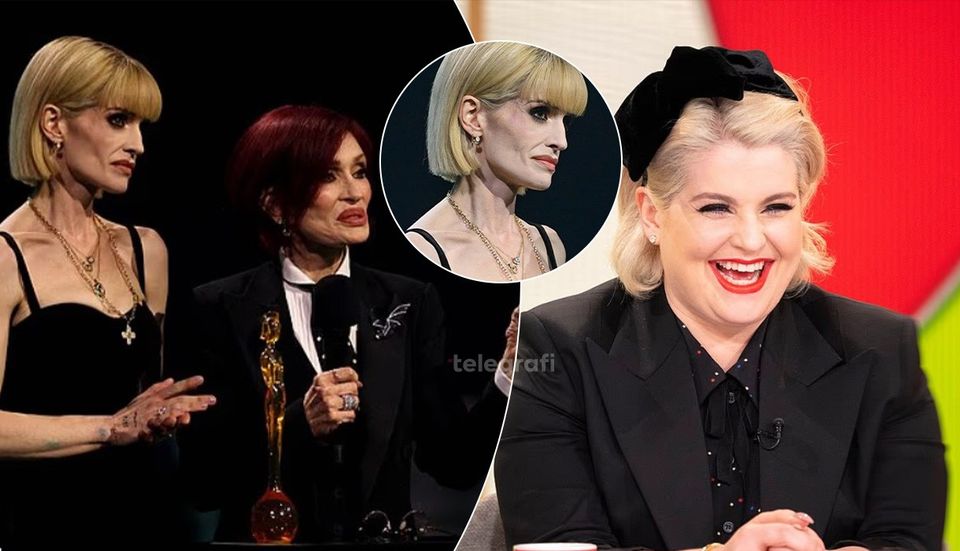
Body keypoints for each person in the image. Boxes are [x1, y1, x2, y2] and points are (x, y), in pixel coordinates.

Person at [494, 46, 946, 551]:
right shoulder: (555, 349)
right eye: (716, 208)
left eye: (776, 207)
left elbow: (908, 538)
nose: (751, 241)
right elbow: (556, 543)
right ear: (652, 214)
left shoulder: (883, 350)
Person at [177, 105, 513, 542]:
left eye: (359, 172)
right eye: (328, 176)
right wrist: (298, 425)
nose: (355, 193)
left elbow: (454, 463)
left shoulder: (409, 302)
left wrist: (506, 373)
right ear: (275, 203)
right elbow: (203, 480)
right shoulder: (219, 307)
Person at [0, 36, 215, 543]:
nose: (138, 145)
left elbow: (146, 403)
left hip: (145, 522)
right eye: (119, 120)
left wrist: (161, 417)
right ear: (54, 124)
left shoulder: (146, 250)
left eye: (141, 126)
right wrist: (108, 428)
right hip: (45, 526)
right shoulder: (6, 256)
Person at [407, 41, 588, 281]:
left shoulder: (549, 245)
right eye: (540, 113)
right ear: (473, 117)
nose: (561, 142)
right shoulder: (425, 249)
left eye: (565, 120)